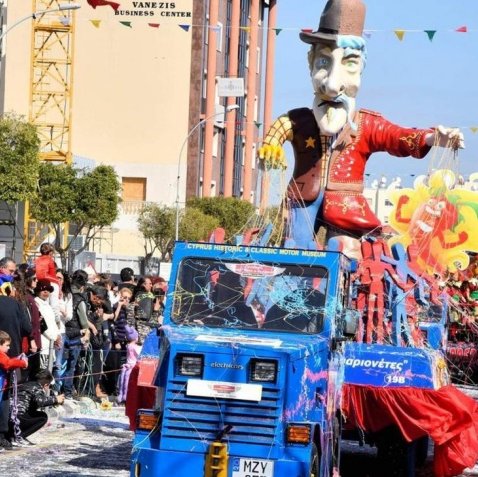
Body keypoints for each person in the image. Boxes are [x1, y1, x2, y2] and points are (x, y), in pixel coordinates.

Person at [259, 0, 464, 253]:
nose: (333, 86)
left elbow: (398, 137)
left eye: (350, 63)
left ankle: (339, 289)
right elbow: (276, 133)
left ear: (361, 69)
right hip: (302, 199)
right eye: (323, 63)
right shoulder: (298, 119)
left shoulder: (368, 124)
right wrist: (271, 147)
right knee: (296, 250)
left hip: (346, 207)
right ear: (310, 63)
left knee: (345, 252)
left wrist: (433, 138)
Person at [11, 369, 64, 446]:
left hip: (12, 414)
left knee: (34, 413)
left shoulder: (26, 383)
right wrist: (55, 399)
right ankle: (18, 436)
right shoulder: (37, 387)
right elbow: (40, 401)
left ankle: (16, 435)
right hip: (17, 416)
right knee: (43, 417)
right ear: (46, 385)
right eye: (49, 386)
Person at [63, 270, 90, 399]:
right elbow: (83, 320)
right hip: (76, 332)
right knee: (71, 365)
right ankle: (67, 392)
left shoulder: (66, 294)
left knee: (62, 364)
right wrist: (86, 335)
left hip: (63, 330)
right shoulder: (80, 299)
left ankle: (61, 390)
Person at [0, 331, 28, 451]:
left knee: (4, 413)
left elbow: (9, 362)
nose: (9, 347)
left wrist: (17, 360)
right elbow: (7, 364)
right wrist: (22, 363)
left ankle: (2, 437)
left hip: (4, 389)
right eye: (7, 345)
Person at [34, 279, 61, 371]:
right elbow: (42, 325)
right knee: (43, 373)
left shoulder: (47, 305)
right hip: (44, 344)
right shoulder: (36, 303)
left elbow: (53, 323)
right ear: (38, 291)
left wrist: (57, 335)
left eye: (48, 290)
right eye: (43, 290)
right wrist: (54, 337)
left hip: (51, 344)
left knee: (49, 371)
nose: (46, 292)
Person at [116, 326, 141, 404]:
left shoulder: (128, 346)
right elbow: (140, 355)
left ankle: (120, 396)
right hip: (132, 367)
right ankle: (126, 397)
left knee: (122, 381)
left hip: (126, 365)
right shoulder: (135, 347)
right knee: (127, 382)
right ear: (135, 338)